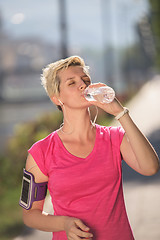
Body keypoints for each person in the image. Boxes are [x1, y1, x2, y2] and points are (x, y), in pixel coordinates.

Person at [22, 56, 159, 240]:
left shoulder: (114, 138)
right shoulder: (41, 152)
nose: (82, 85)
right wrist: (64, 223)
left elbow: (150, 167)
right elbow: (30, 215)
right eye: (72, 83)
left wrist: (120, 113)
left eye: (85, 80)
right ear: (57, 98)